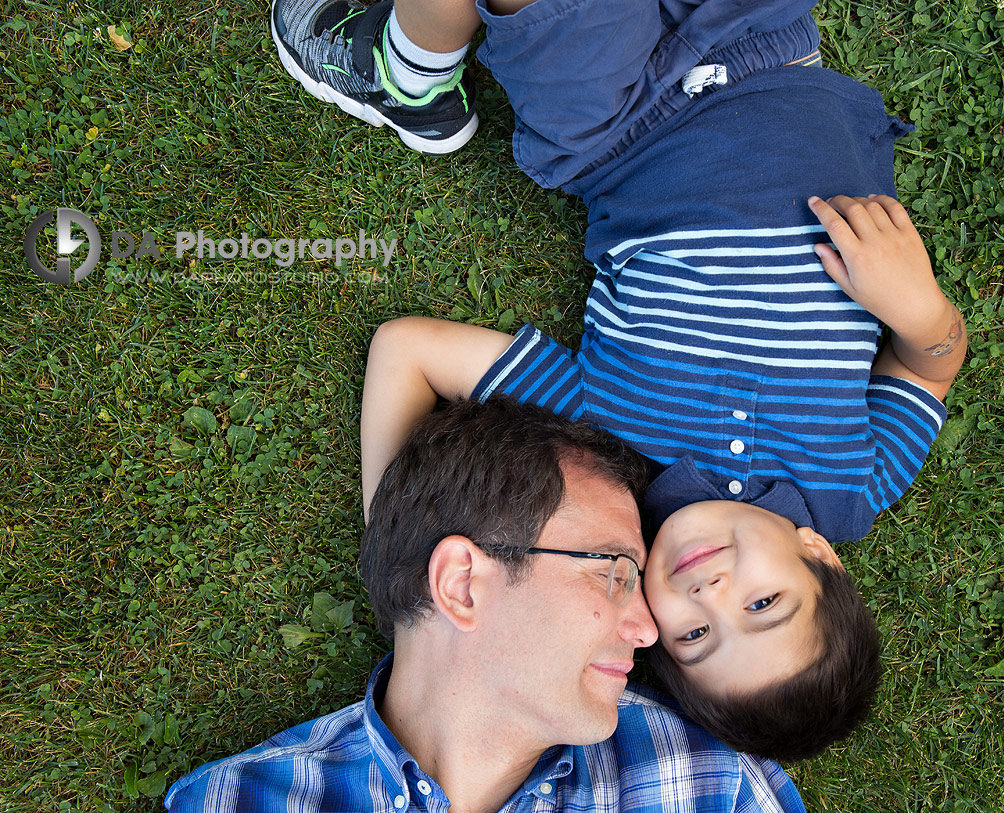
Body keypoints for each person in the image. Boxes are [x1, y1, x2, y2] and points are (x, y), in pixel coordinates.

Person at [276, 0, 968, 762]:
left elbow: (409, 348)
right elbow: (931, 366)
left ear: (651, 629)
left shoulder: (606, 453)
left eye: (697, 634)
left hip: (622, 130)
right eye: (764, 603)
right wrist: (918, 304)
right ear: (818, 554)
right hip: (770, 53)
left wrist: (393, 539)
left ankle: (410, 74)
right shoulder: (856, 487)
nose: (713, 594)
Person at [165, 398, 804, 811]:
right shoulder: (239, 802)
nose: (647, 629)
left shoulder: (709, 783)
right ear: (463, 585)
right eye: (612, 573)